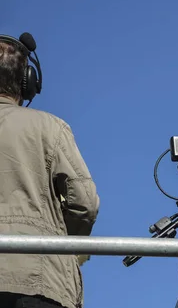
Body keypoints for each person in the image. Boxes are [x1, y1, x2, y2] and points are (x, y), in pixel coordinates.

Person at [0, 33, 100, 308]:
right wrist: (58, 242)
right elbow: (85, 205)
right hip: (38, 282)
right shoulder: (50, 128)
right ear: (28, 82)